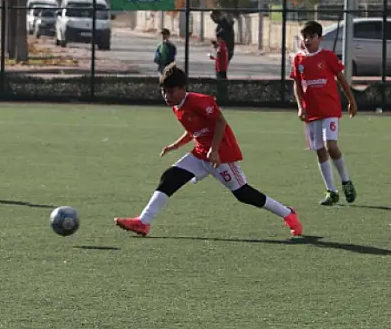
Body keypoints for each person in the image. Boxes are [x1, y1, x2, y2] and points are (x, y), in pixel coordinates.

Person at [113, 64, 302, 238]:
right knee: (170, 177)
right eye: (164, 92)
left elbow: (220, 122)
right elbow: (192, 130)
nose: (167, 96)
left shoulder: (200, 101)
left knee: (243, 194)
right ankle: (143, 222)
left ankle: (288, 213)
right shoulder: (177, 107)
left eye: (170, 92)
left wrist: (214, 150)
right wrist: (175, 146)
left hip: (221, 155)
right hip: (201, 154)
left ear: (182, 89)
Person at [291, 21, 358, 206]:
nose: (307, 40)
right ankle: (331, 191)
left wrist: (351, 100)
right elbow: (297, 84)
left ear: (319, 39)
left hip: (329, 110)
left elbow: (342, 79)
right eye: (305, 36)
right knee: (320, 151)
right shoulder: (298, 59)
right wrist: (300, 106)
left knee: (331, 147)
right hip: (311, 113)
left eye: (311, 37)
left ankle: (346, 181)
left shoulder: (327, 57)